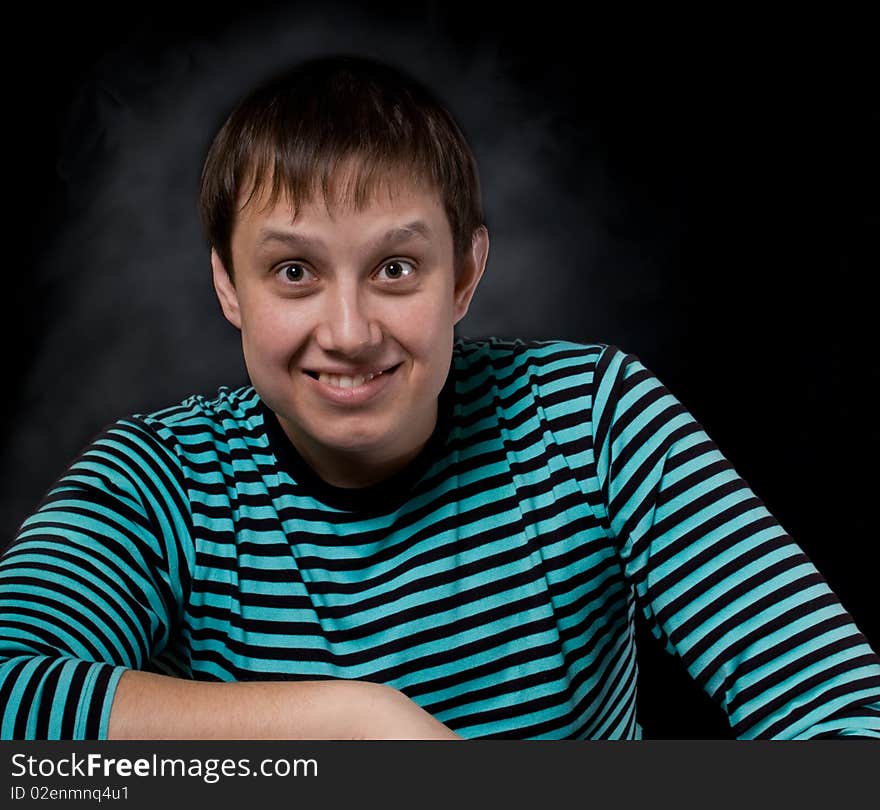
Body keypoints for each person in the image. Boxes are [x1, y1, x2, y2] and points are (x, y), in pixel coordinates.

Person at [1, 54, 878, 741]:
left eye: (394, 268)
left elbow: (844, 715)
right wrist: (352, 723)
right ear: (229, 287)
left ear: (463, 274)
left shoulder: (593, 420)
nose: (347, 331)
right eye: (294, 271)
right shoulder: (159, 481)